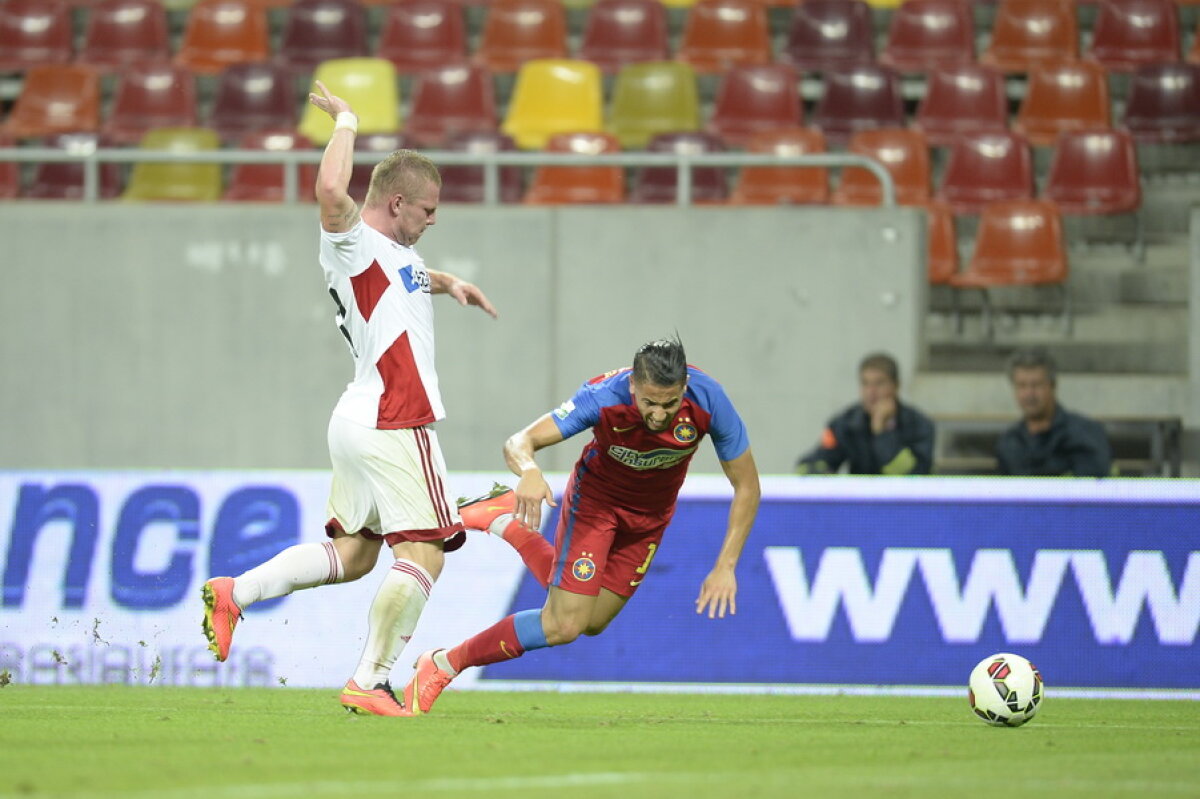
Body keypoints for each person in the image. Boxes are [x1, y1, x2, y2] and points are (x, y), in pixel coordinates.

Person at [200, 81, 500, 716]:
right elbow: (331, 193)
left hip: (359, 413)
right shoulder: (353, 242)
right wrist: (348, 121)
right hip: (396, 415)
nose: (433, 219)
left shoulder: (392, 254)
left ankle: (236, 592)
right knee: (423, 552)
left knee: (358, 553)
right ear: (397, 202)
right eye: (427, 210)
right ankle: (373, 677)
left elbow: (413, 275)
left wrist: (451, 283)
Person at [398, 336, 761, 715]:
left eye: (669, 404)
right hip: (596, 506)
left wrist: (726, 565)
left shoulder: (709, 400)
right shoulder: (603, 397)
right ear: (633, 385)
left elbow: (747, 485)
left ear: (684, 387)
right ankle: (443, 664)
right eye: (649, 402)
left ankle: (505, 520)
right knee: (564, 624)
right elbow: (519, 441)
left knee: (592, 621)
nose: (658, 414)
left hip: (650, 519)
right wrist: (530, 470)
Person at [795, 352, 935, 475]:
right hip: (858, 503)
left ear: (896, 386)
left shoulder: (919, 425)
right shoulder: (845, 423)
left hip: (901, 503)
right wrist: (822, 474)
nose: (871, 392)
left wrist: (881, 433)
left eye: (879, 383)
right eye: (865, 383)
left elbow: (914, 476)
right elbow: (811, 464)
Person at [996, 347, 1112, 477]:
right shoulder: (1010, 442)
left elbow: (1092, 489)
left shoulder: (1085, 433)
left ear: (1052, 385)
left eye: (1036, 385)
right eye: (1022, 386)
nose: (1029, 394)